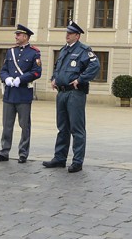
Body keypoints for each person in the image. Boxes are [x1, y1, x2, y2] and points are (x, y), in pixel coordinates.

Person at [43, 21, 100, 173]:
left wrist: (81, 79)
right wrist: (54, 78)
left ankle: (77, 161)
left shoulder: (83, 50)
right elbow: (58, 67)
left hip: (75, 93)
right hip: (61, 92)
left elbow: (95, 66)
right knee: (62, 127)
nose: (67, 35)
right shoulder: (64, 50)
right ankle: (59, 158)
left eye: (70, 33)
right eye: (67, 33)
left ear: (77, 36)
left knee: (76, 128)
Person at [0, 24, 41, 164]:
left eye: (18, 35)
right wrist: (6, 78)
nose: (16, 37)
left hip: (23, 94)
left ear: (25, 37)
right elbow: (3, 70)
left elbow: (36, 72)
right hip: (9, 93)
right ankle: (4, 151)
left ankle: (23, 153)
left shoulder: (34, 53)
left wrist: (21, 79)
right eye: (16, 35)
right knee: (6, 125)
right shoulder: (10, 51)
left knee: (24, 126)